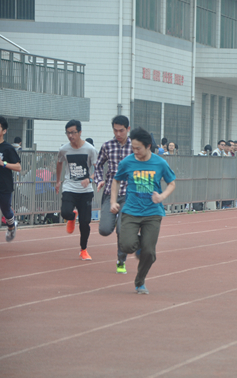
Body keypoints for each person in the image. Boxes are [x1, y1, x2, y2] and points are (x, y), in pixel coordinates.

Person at [110, 127, 176, 294]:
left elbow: (172, 183)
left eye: (138, 148)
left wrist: (161, 197)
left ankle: (140, 281)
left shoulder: (160, 163)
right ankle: (143, 246)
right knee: (126, 245)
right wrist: (113, 202)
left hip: (152, 213)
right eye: (133, 147)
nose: (135, 151)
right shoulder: (127, 162)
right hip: (131, 211)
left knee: (148, 252)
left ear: (148, 146)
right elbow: (116, 181)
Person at [94, 115, 134, 274]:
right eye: (115, 130)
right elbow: (98, 166)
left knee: (121, 229)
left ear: (128, 129)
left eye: (121, 131)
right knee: (104, 229)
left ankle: (121, 260)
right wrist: (99, 180)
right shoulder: (107, 146)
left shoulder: (135, 147)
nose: (118, 134)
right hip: (110, 192)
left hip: (129, 195)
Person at [56, 119, 98, 260]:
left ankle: (83, 250)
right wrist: (58, 181)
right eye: (68, 133)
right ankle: (72, 216)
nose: (70, 136)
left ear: (80, 132)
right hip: (69, 187)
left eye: (73, 132)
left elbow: (97, 170)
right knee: (65, 212)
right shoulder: (64, 149)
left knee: (85, 223)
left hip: (85, 191)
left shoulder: (90, 149)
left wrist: (90, 179)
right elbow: (59, 162)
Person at [0, 116, 22, 242]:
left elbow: (18, 167)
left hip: (4, 185)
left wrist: (3, 163)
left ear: (4, 131)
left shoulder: (7, 148)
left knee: (6, 210)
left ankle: (11, 226)